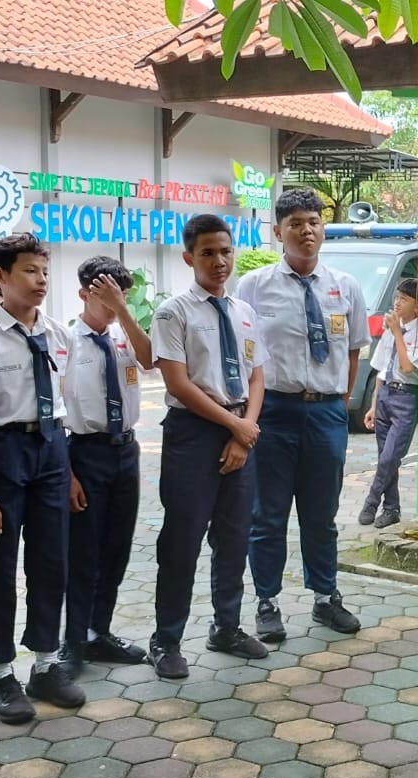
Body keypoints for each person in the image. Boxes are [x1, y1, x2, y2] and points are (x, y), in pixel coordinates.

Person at [0, 232, 85, 724]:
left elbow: (63, 407)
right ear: (0, 276)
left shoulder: (58, 334)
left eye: (45, 271)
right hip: (2, 450)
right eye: (29, 270)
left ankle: (46, 663)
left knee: (52, 560)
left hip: (50, 449)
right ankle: (0, 672)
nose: (41, 280)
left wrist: (68, 471)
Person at [241, 188, 369, 641]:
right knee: (268, 515)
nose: (306, 231)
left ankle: (325, 596)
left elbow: (352, 352)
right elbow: (244, 354)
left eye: (313, 222)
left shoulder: (346, 286)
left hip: (326, 413)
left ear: (323, 229)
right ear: (278, 232)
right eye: (295, 223)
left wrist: (338, 403)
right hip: (274, 412)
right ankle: (267, 602)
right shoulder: (253, 287)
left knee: (321, 514)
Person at [150, 214, 270, 678]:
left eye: (225, 251)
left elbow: (257, 376)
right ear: (189, 258)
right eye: (207, 253)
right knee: (182, 541)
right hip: (194, 433)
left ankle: (227, 627)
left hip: (240, 428)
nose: (219, 261)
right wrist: (235, 426)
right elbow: (178, 383)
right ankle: (166, 640)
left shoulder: (244, 312)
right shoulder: (173, 312)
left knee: (234, 536)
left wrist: (246, 429)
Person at [58, 256, 152, 676]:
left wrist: (123, 311)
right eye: (108, 296)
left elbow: (150, 360)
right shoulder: (64, 341)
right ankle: (74, 640)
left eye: (123, 295)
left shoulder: (124, 336)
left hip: (125, 451)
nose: (116, 302)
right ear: (84, 294)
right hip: (85, 452)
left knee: (117, 547)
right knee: (83, 552)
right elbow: (55, 413)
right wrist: (68, 474)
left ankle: (100, 632)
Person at [359, 278, 418, 530]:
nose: (397, 302)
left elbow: (407, 368)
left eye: (404, 299)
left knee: (389, 458)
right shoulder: (391, 329)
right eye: (397, 297)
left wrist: (397, 333)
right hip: (385, 394)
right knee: (386, 457)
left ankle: (371, 502)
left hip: (406, 397)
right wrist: (374, 405)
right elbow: (382, 370)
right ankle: (391, 509)